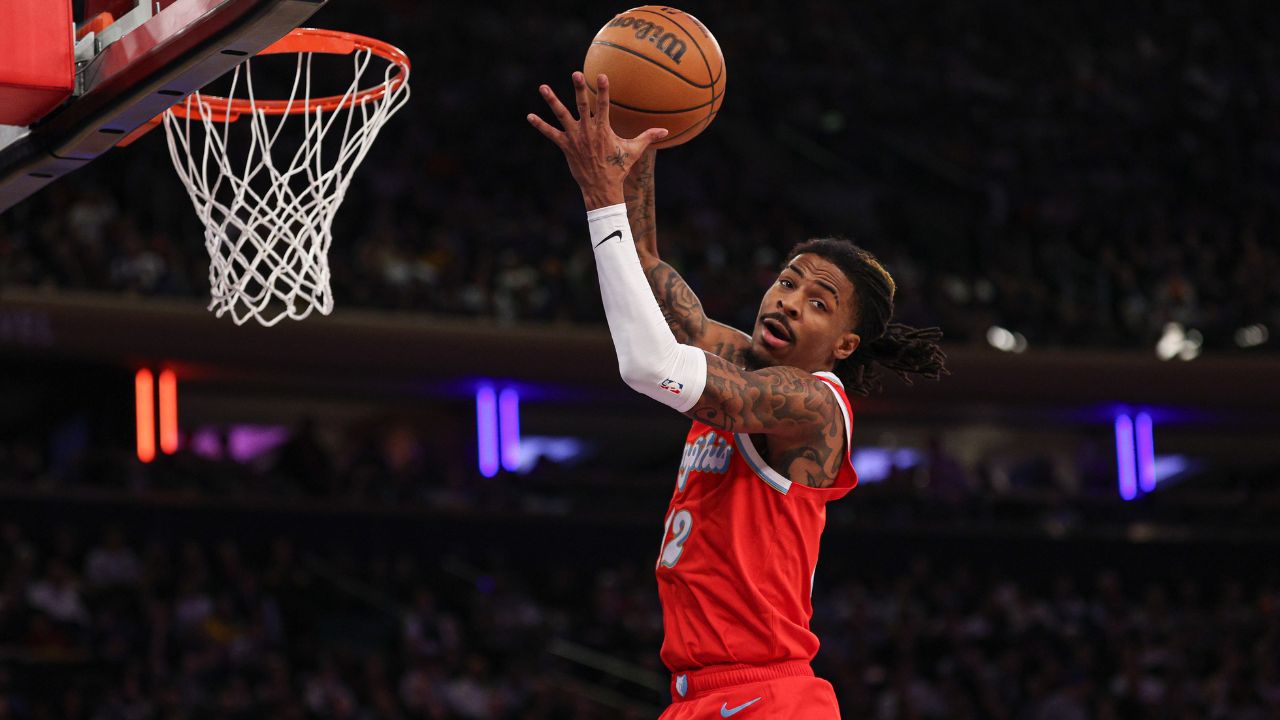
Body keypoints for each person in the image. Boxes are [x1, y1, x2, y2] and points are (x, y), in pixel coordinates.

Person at [528, 72, 947, 719]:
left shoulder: (812, 408)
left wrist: (600, 198)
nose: (788, 300)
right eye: (787, 281)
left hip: (769, 697)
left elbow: (648, 364)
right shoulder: (741, 360)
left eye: (818, 302)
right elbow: (652, 287)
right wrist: (636, 155)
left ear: (843, 344)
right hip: (700, 696)